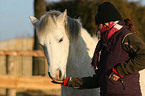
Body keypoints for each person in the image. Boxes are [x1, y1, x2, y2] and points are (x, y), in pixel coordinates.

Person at [52, 2, 145, 96]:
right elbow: (98, 80)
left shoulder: (125, 36)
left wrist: (120, 71)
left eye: (98, 25)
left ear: (106, 23)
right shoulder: (104, 46)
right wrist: (69, 82)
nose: (97, 29)